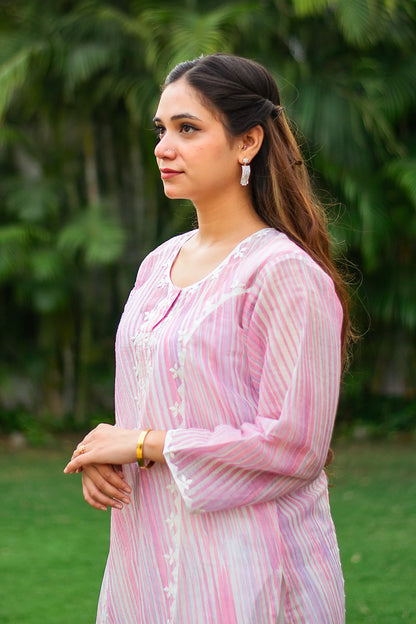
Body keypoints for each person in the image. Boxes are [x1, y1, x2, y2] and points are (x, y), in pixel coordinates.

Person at [64, 53, 351, 624]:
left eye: (188, 129)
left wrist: (145, 443)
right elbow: (159, 402)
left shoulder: (282, 273)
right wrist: (113, 453)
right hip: (146, 561)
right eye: (161, 129)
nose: (163, 147)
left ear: (248, 142)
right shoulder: (157, 265)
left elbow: (294, 444)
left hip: (250, 570)